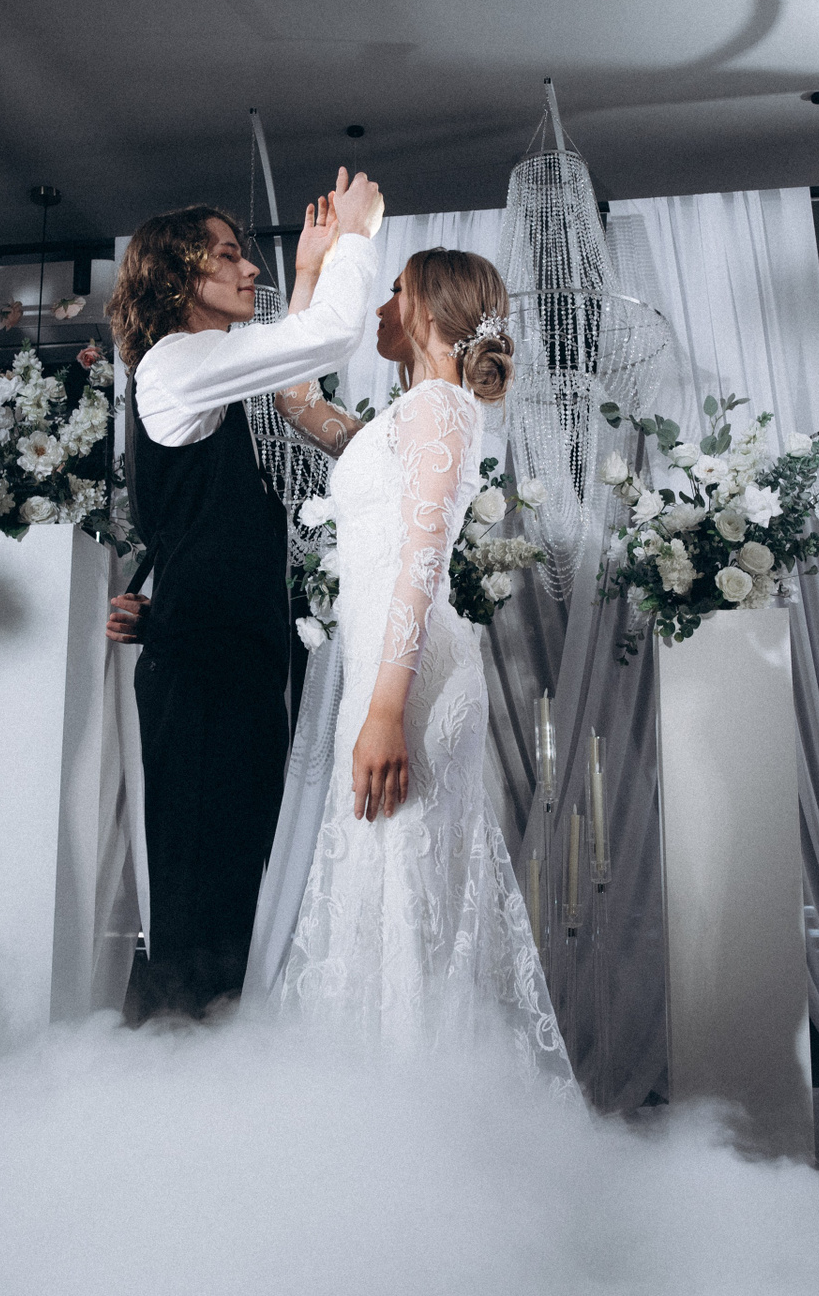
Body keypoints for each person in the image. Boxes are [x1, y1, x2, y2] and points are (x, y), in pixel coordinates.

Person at [250, 247, 571, 1083]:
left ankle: (414, 1112)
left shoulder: (441, 408)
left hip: (412, 684)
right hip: (386, 676)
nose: (380, 308)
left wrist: (386, 710)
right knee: (383, 889)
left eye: (393, 291)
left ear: (427, 306)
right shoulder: (407, 419)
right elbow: (293, 396)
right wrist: (310, 273)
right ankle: (384, 1112)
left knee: (404, 888)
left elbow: (422, 559)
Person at [103, 170, 382, 1019]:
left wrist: (308, 270)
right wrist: (355, 241)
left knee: (229, 898)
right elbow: (324, 340)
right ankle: (168, 1075)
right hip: (206, 681)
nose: (249, 269)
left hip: (227, 670)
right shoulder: (176, 364)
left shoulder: (202, 373)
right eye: (229, 255)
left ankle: (204, 1075)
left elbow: (287, 360)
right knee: (200, 909)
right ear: (177, 272)